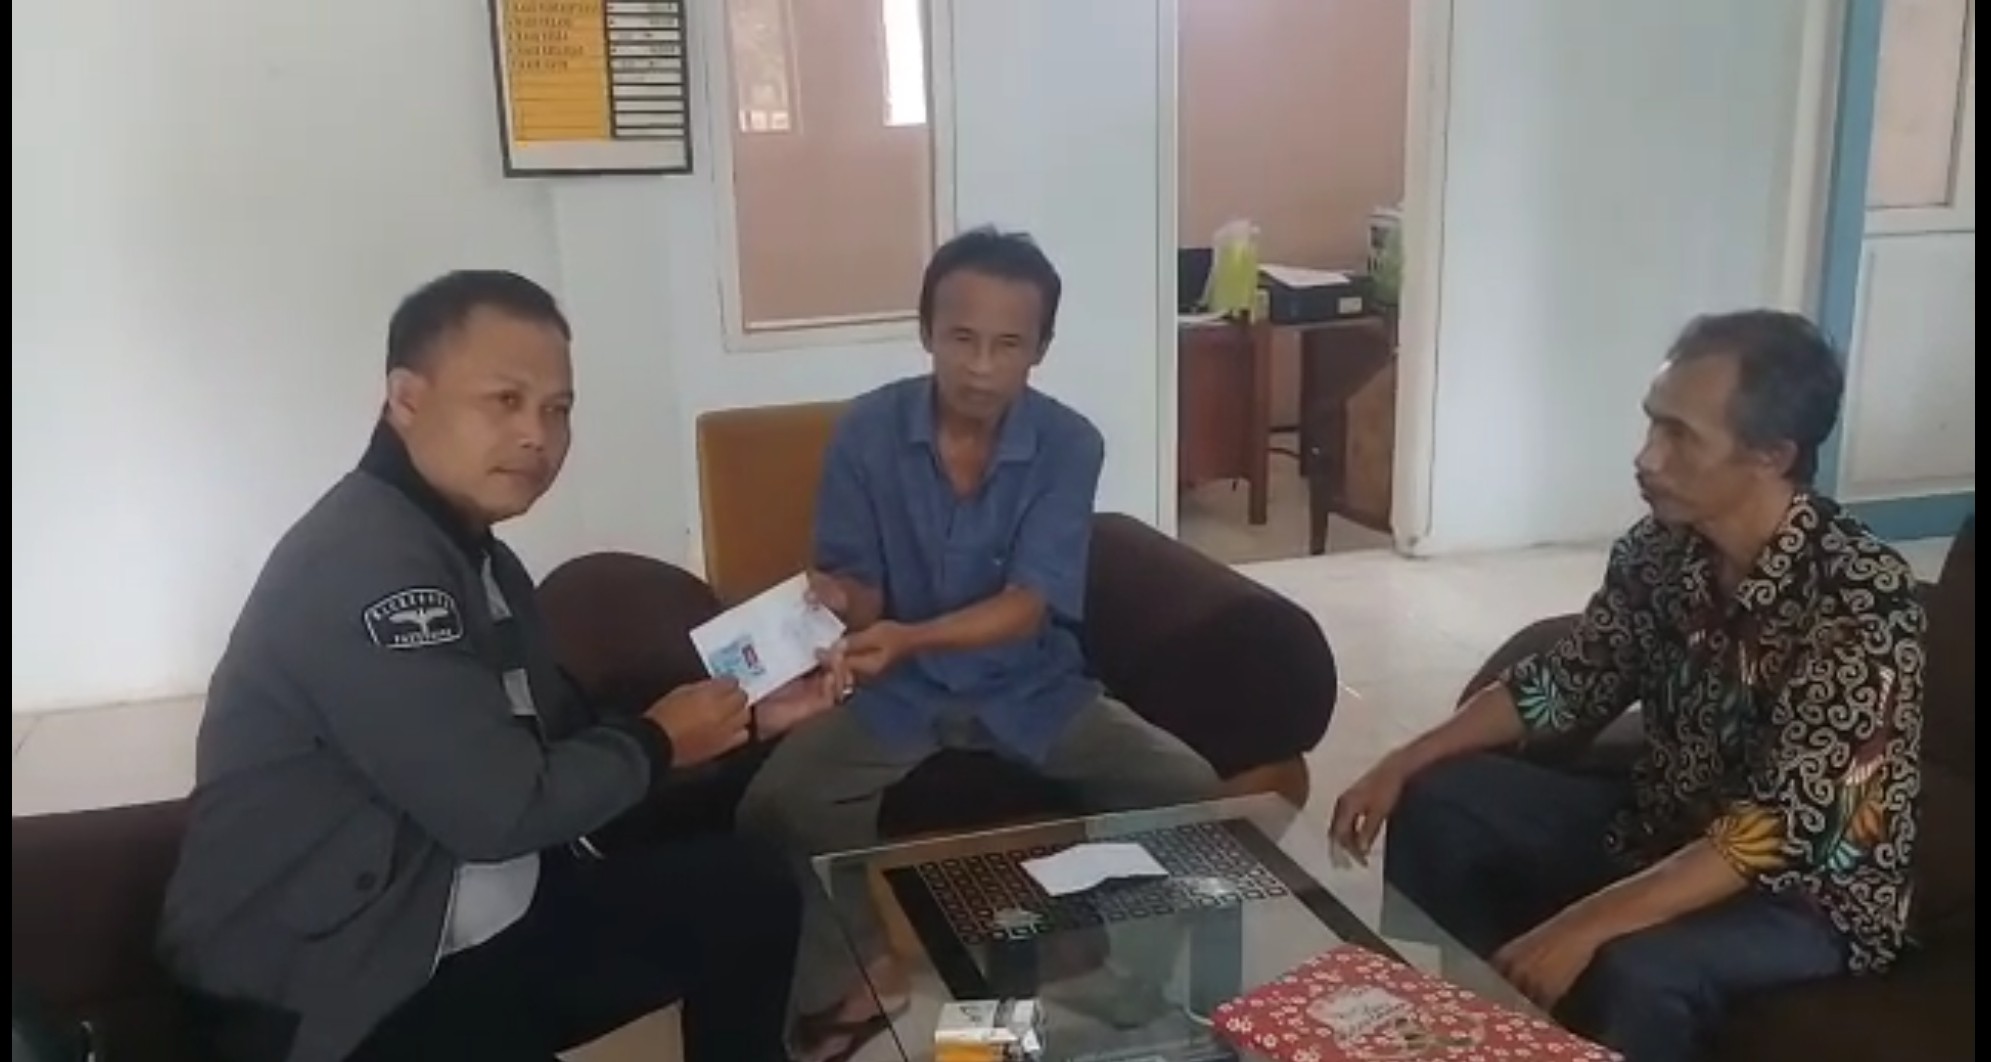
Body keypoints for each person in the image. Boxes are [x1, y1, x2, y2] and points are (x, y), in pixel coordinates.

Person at [158, 271, 834, 1062]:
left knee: (746, 888)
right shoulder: (369, 567)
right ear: (406, 399)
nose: (536, 435)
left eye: (558, 409)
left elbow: (565, 740)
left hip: (469, 916)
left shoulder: (479, 558)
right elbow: (498, 812)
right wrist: (658, 740)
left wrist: (743, 715)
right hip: (340, 979)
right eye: (504, 400)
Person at [1328, 310, 1925, 1062]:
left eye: (1679, 436)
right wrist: (1402, 761)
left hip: (1800, 899)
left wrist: (1581, 926)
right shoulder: (1661, 548)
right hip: (1661, 828)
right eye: (1651, 422)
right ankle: (1464, 1033)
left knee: (1632, 967)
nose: (1646, 457)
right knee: (1441, 798)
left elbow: (1778, 829)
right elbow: (1566, 683)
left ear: (1770, 455)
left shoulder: (1861, 595)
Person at [737, 228, 1223, 1061]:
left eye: (1008, 344)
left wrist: (906, 635)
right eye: (961, 338)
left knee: (1183, 785)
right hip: (898, 688)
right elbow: (863, 594)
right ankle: (862, 971)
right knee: (776, 802)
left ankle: (1099, 964)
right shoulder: (865, 432)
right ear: (926, 331)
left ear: (1041, 349)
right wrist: (838, 598)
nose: (981, 367)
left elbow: (1029, 606)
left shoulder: (1069, 442)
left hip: (1028, 684)